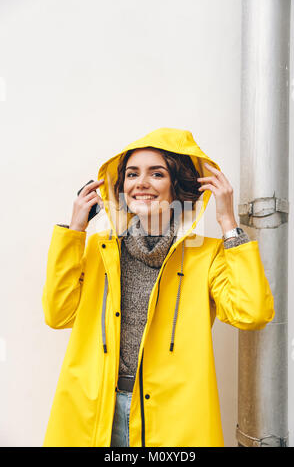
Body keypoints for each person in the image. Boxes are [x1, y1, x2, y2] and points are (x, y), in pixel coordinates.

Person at [41, 127, 275, 447]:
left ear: (176, 186)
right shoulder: (98, 249)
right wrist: (75, 229)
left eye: (157, 173)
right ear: (121, 187)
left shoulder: (205, 255)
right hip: (96, 413)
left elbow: (252, 313)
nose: (142, 183)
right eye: (133, 174)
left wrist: (228, 223)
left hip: (172, 420)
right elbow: (57, 314)